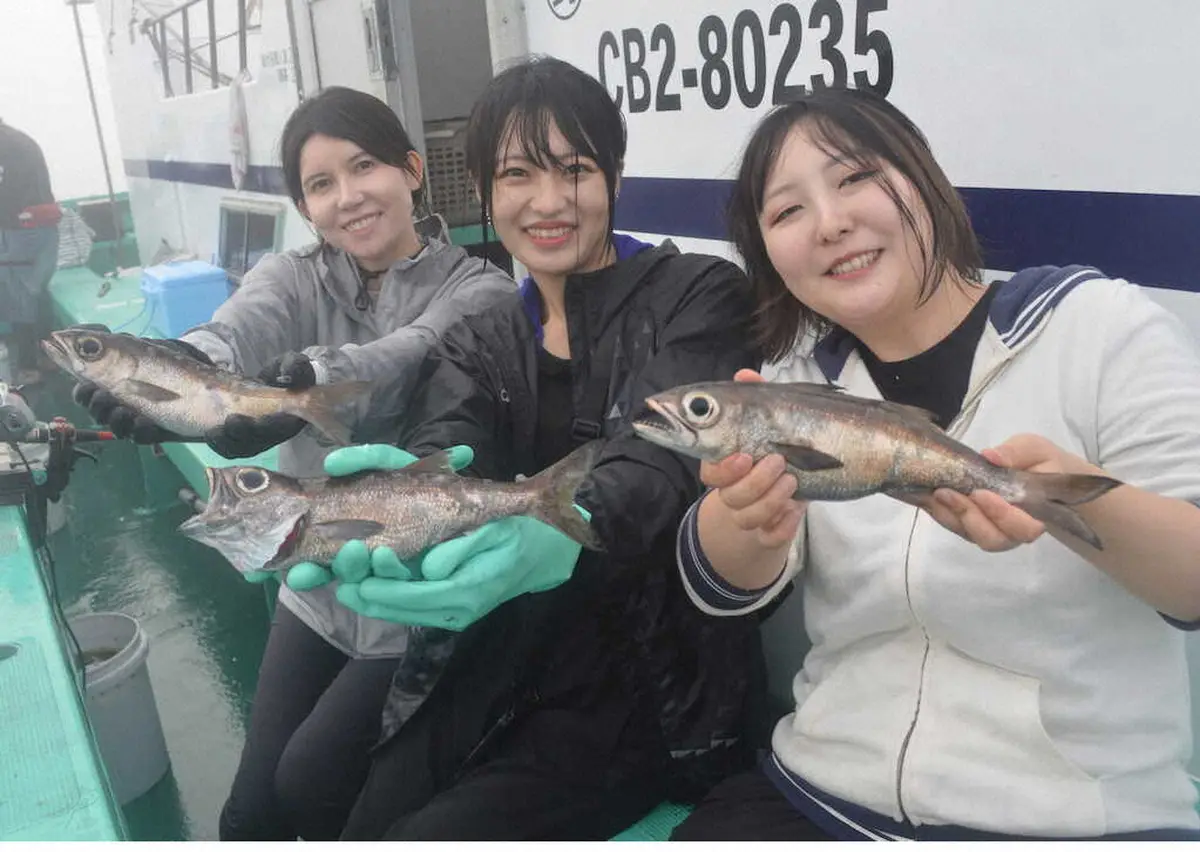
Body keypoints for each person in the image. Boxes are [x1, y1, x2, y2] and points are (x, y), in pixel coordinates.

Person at [667, 87, 1200, 841]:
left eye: (854, 177)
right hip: (817, 794)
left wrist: (1066, 505)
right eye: (787, 212)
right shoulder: (793, 383)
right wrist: (745, 516)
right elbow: (718, 591)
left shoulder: (1099, 329)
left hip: (1070, 822)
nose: (830, 222)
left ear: (926, 179)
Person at [287, 56, 767, 840]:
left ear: (615, 176)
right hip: (493, 641)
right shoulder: (482, 335)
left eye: (573, 170)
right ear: (483, 191)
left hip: (644, 679)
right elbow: (450, 439)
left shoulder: (699, 295)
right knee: (308, 788)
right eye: (516, 174)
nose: (547, 203)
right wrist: (408, 498)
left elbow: (659, 465)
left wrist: (564, 517)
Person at [71, 87, 516, 840]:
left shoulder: (481, 289)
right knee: (250, 815)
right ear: (305, 206)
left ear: (412, 169)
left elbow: (406, 357)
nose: (348, 198)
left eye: (364, 167)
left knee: (312, 791)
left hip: (411, 606)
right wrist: (180, 376)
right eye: (320, 185)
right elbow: (229, 335)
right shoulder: (290, 275)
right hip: (308, 585)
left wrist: (302, 384)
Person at [0, 118, 61, 386]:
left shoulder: (6, 145)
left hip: (22, 232)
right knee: (35, 292)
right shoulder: (20, 139)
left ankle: (27, 368)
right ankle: (49, 357)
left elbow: (9, 195)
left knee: (17, 296)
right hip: (42, 231)